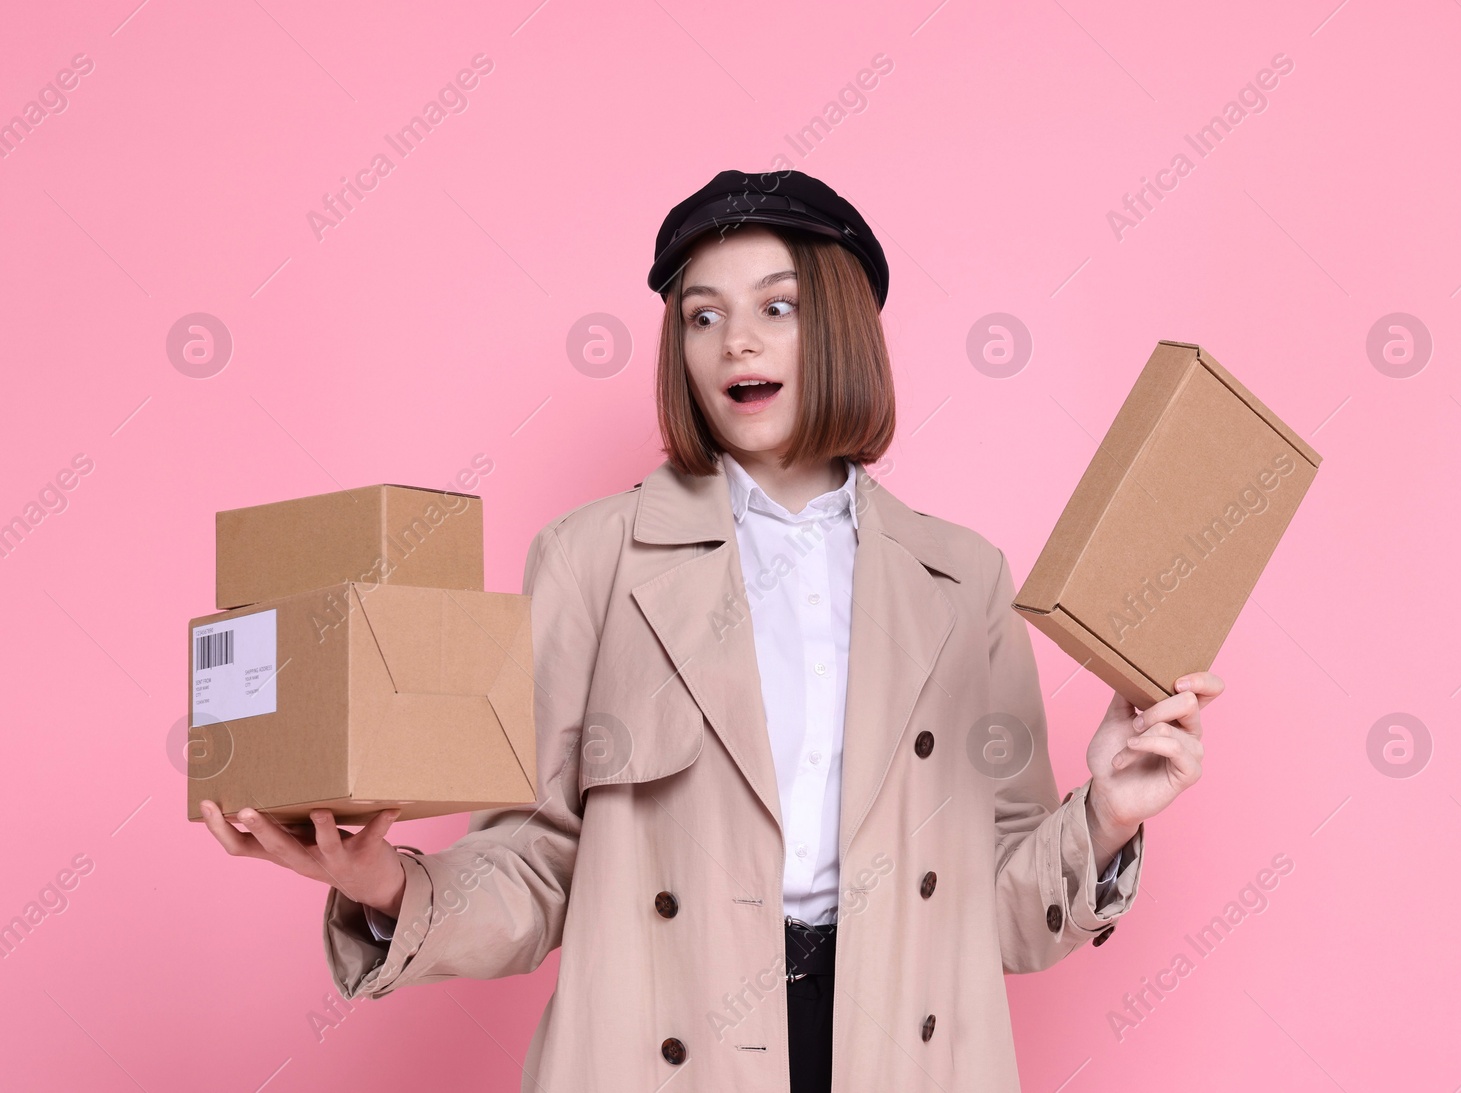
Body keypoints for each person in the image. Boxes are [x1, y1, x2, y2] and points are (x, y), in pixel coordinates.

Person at [199, 168, 1222, 1093]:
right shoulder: (591, 558)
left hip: (908, 1052)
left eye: (775, 308)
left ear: (840, 330)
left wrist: (1107, 816)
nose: (735, 341)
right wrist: (380, 882)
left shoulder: (962, 578)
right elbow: (537, 856)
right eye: (702, 317)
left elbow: (1000, 907)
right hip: (661, 1047)